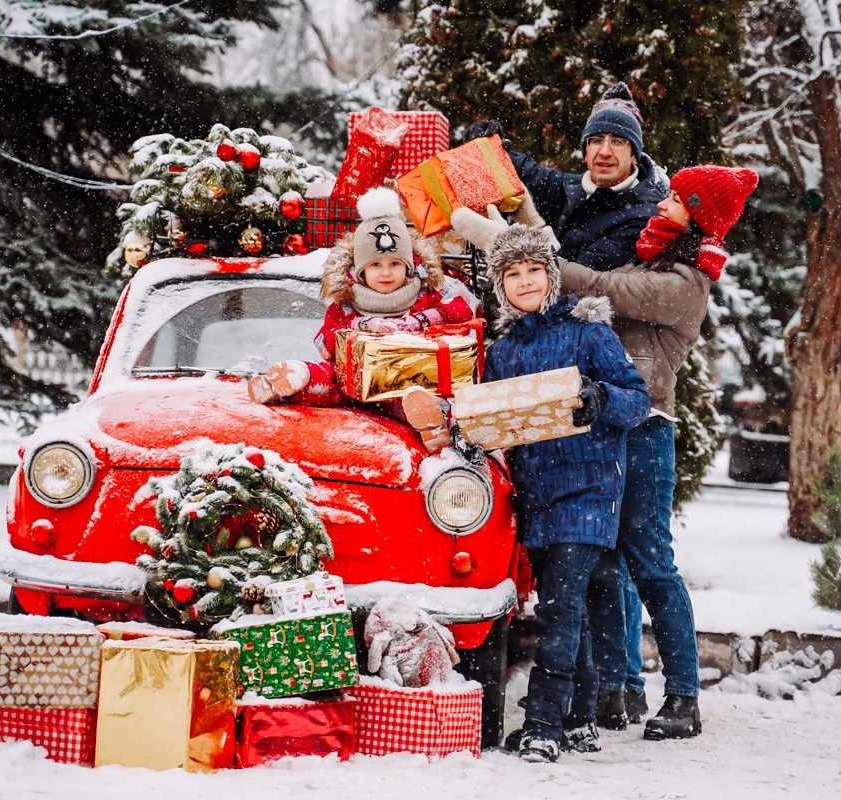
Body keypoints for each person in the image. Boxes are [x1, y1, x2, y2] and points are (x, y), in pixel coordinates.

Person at [456, 164, 759, 740]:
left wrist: (509, 247)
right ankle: (615, 690)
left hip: (642, 427)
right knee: (601, 566)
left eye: (678, 197)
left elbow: (596, 288)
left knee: (649, 564)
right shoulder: (646, 259)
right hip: (592, 430)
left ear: (699, 215)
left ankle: (684, 696)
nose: (664, 200)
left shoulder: (682, 282)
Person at [481, 223, 651, 763]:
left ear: (552, 276)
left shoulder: (587, 332)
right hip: (537, 493)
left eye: (535, 270)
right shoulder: (502, 350)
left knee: (560, 606)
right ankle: (580, 718)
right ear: (500, 284)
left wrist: (603, 398)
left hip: (590, 485)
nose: (526, 280)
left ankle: (543, 724)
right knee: (563, 603)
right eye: (514, 273)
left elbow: (637, 398)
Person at [245, 186, 475, 453]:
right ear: (360, 271)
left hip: (406, 377)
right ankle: (291, 380)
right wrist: (357, 328)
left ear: (409, 266)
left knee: (407, 396)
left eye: (395, 264)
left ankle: (431, 419)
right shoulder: (348, 303)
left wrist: (421, 321)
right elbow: (325, 340)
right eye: (376, 265)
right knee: (330, 379)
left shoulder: (426, 295)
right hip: (353, 379)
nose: (386, 273)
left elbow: (461, 310)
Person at [464, 81, 669, 272]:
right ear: (586, 152)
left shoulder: (642, 217)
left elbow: (579, 278)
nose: (605, 151)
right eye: (596, 140)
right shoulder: (570, 188)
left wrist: (513, 239)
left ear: (634, 155)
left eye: (618, 142)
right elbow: (525, 171)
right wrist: (487, 145)